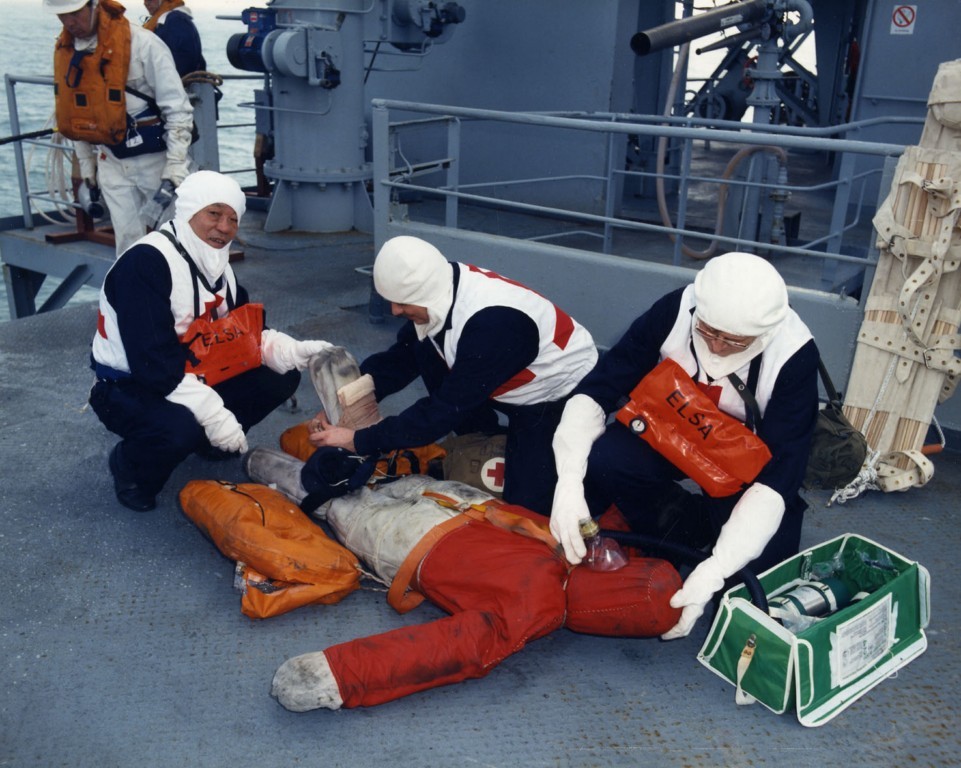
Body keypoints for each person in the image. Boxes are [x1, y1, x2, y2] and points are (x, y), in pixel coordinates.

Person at [233, 462, 681, 711]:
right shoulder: (534, 612)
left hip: (456, 500)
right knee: (330, 501)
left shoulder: (596, 544)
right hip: (408, 537)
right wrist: (336, 674)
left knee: (358, 472)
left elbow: (627, 520)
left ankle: (263, 454)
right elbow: (444, 649)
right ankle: (259, 460)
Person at [549, 252, 820, 641]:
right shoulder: (677, 309)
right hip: (670, 431)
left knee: (744, 586)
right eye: (709, 332)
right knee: (607, 459)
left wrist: (717, 567)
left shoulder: (794, 355)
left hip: (742, 465)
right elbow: (598, 390)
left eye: (734, 340)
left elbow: (780, 476)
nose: (719, 347)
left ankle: (715, 537)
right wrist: (569, 483)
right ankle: (679, 528)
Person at [88, 170, 332, 512]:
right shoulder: (145, 264)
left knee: (282, 376)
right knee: (179, 427)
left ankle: (210, 445)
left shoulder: (217, 265)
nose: (224, 227)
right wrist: (215, 415)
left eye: (233, 219)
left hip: (191, 373)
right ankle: (130, 466)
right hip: (128, 385)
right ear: (189, 211)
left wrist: (294, 351)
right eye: (213, 214)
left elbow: (245, 335)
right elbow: (153, 367)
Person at [308, 235, 598, 516]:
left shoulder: (493, 325)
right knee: (420, 349)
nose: (395, 310)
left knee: (527, 505)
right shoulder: (440, 288)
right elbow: (399, 359)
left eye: (403, 303)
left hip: (555, 391)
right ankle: (482, 437)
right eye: (391, 301)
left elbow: (440, 412)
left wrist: (358, 440)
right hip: (496, 374)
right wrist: (341, 405)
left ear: (426, 293)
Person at [45, 0, 194, 256]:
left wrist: (176, 167)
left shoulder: (144, 44)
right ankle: (132, 294)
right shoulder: (68, 52)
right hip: (111, 161)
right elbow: (75, 112)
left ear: (94, 6)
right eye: (62, 16)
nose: (69, 23)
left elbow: (177, 109)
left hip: (155, 164)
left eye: (75, 13)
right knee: (127, 246)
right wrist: (87, 165)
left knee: (177, 243)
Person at [142, 0, 205, 79]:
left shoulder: (176, 19)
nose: (146, 3)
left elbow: (184, 59)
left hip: (177, 83)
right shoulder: (166, 20)